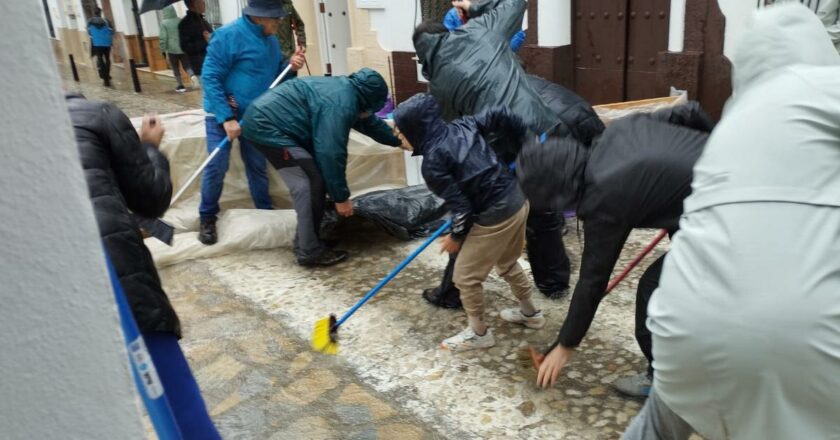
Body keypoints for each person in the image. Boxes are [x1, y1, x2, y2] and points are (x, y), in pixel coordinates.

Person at [623, 4, 840, 439]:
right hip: (803, 338)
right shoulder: (830, 88)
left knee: (664, 418)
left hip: (683, 329)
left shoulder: (734, 121)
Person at [413, 0, 604, 307]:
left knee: (473, 216)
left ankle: (451, 294)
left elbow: (455, 137)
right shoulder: (483, 30)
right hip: (545, 131)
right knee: (543, 212)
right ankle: (553, 283)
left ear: (424, 54)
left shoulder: (439, 85)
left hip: (504, 149)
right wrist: (474, 7)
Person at [516, 102, 713, 397]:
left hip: (733, 217)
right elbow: (689, 112)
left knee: (654, 289)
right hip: (734, 179)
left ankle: (662, 381)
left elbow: (592, 281)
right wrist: (709, 154)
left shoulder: (603, 197)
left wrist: (565, 346)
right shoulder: (615, 133)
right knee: (683, 264)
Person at [65, 94, 220, 439]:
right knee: (176, 406)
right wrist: (150, 146)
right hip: (117, 268)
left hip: (48, 297)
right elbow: (150, 197)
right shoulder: (98, 113)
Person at [393, 93, 544, 351]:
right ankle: (531, 315)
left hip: (495, 214)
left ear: (416, 129)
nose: (398, 138)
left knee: (464, 277)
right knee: (507, 262)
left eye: (401, 132)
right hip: (517, 199)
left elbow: (463, 208)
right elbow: (501, 113)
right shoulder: (464, 125)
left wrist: (456, 236)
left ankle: (479, 333)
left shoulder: (432, 163)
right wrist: (526, 142)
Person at [241, 68, 400, 266]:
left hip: (271, 122)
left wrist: (398, 140)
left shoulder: (348, 92)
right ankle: (308, 250)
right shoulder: (341, 103)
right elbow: (330, 152)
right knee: (308, 183)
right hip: (268, 127)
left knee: (316, 178)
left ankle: (310, 239)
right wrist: (341, 198)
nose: (369, 113)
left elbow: (368, 123)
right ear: (366, 101)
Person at [198, 0, 305, 245]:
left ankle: (264, 212)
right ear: (259, 17)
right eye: (276, 19)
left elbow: (276, 76)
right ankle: (207, 217)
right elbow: (210, 77)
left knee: (257, 165)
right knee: (217, 165)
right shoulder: (227, 36)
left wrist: (290, 67)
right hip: (220, 115)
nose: (279, 23)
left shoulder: (271, 40)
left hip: (254, 115)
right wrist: (226, 117)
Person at [443, 5, 526, 52]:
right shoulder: (453, 15)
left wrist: (502, 52)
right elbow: (448, 42)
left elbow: (517, 34)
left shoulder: (498, 11)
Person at [159, 6, 194, 93]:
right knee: (187, 66)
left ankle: (181, 85)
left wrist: (163, 50)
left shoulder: (164, 23)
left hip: (172, 50)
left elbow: (163, 38)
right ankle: (193, 76)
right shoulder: (180, 20)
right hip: (183, 47)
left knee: (175, 67)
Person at [178, 0, 213, 85]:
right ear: (194, 4)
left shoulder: (202, 21)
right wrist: (205, 42)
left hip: (212, 63)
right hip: (201, 66)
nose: (204, 3)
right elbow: (185, 47)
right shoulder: (185, 24)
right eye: (201, 1)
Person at [87, 7, 113, 86]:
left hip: (97, 44)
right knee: (107, 58)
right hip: (106, 43)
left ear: (94, 13)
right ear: (100, 13)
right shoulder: (106, 21)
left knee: (100, 58)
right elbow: (111, 31)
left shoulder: (90, 22)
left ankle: (104, 75)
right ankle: (107, 75)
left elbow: (89, 33)